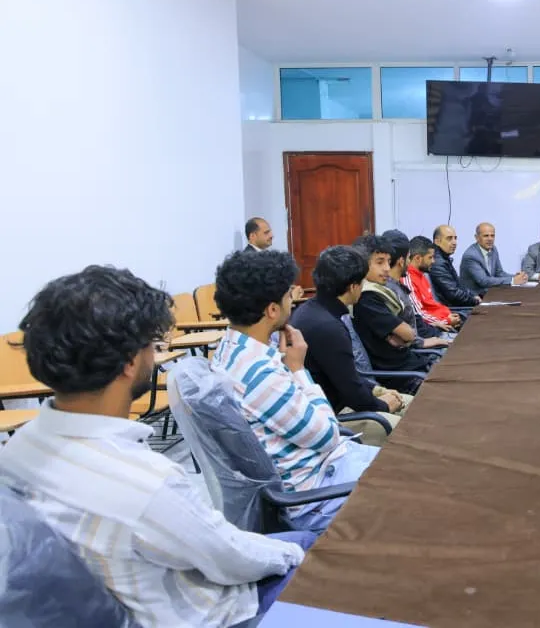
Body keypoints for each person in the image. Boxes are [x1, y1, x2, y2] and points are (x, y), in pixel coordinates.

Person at [0, 265, 312, 627]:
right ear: (131, 362)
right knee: (314, 548)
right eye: (153, 345)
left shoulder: (18, 449)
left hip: (124, 594)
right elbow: (229, 557)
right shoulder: (145, 482)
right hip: (215, 614)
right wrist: (292, 552)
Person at [211, 250, 380, 533]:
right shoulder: (259, 374)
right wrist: (298, 370)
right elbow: (328, 435)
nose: (294, 300)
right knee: (414, 481)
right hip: (316, 494)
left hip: (319, 470)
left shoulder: (229, 350)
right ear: (272, 310)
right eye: (289, 295)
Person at [289, 246, 412, 446]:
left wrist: (376, 390)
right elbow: (352, 394)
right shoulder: (329, 327)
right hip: (331, 417)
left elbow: (346, 377)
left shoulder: (312, 310)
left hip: (333, 401)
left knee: (413, 405)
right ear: (353, 287)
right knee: (409, 427)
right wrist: (383, 404)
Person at [352, 235, 439, 393]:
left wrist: (403, 334)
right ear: (361, 265)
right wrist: (404, 333)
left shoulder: (382, 290)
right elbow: (408, 334)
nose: (387, 268)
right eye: (380, 262)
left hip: (411, 364)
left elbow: (406, 335)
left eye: (388, 261)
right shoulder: (367, 297)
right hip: (400, 376)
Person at [381, 235, 453, 346]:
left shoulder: (401, 283)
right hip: (423, 339)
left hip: (429, 332)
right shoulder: (394, 287)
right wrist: (444, 322)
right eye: (409, 258)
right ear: (401, 261)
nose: (410, 263)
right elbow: (412, 329)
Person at [403, 235, 463, 332]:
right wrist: (446, 320)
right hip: (433, 327)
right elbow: (418, 314)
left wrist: (448, 315)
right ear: (418, 258)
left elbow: (432, 305)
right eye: (430, 257)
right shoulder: (408, 279)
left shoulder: (422, 275)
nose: (433, 261)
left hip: (443, 319)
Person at [459, 222, 528, 295]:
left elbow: (499, 273)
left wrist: (517, 277)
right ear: (477, 237)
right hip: (474, 298)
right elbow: (484, 281)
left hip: (490, 293)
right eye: (486, 236)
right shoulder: (471, 256)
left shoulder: (493, 249)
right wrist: (512, 280)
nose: (490, 239)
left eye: (492, 236)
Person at [429, 225, 482, 307]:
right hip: (450, 310)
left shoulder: (444, 258)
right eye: (449, 238)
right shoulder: (437, 262)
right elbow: (453, 294)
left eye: (455, 238)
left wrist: (473, 296)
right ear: (437, 242)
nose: (454, 242)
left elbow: (458, 285)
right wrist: (475, 301)